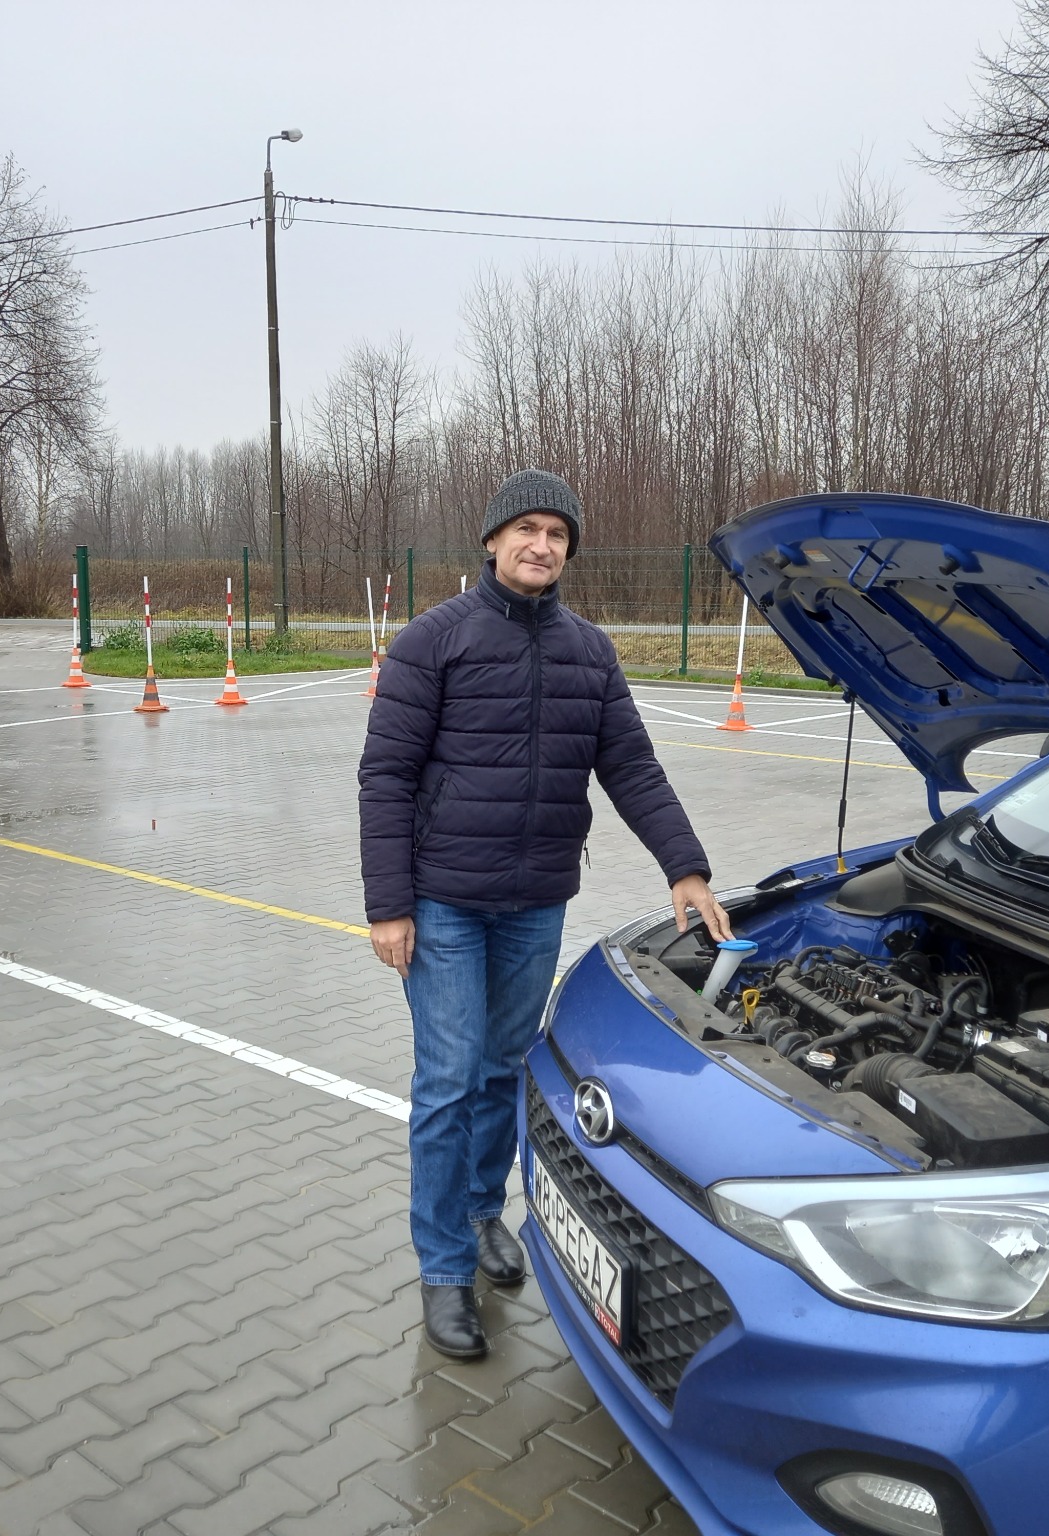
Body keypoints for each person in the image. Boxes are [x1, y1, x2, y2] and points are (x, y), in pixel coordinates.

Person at [358, 468, 734, 1359]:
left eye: (557, 532)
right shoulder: (432, 642)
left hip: (535, 902)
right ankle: (445, 1268)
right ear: (490, 541)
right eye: (524, 528)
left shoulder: (589, 652)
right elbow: (386, 778)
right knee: (448, 1083)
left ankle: (486, 1215)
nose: (541, 544)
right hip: (444, 901)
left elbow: (632, 768)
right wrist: (389, 906)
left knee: (500, 1071)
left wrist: (685, 867)